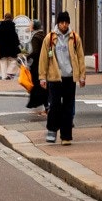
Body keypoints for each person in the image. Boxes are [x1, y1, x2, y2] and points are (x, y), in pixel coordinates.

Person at [37, 11, 86, 145]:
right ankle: (52, 130)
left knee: (68, 107)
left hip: (69, 76)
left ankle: (66, 136)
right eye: (62, 22)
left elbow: (80, 57)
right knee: (54, 105)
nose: (64, 25)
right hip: (54, 77)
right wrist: (42, 77)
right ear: (58, 23)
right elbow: (43, 58)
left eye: (66, 22)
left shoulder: (74, 38)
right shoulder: (50, 38)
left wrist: (82, 76)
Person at [25, 26, 49, 115]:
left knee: (38, 86)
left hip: (37, 65)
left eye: (31, 25)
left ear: (33, 27)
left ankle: (46, 107)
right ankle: (46, 106)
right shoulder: (43, 35)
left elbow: (35, 51)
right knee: (43, 86)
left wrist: (27, 57)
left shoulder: (35, 37)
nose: (29, 27)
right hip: (44, 63)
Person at [0, 13, 21, 79]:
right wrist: (18, 44)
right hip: (11, 48)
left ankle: (4, 77)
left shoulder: (0, 26)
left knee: (3, 62)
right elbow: (15, 37)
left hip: (2, 48)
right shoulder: (12, 26)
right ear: (11, 18)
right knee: (14, 60)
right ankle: (9, 72)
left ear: (5, 18)